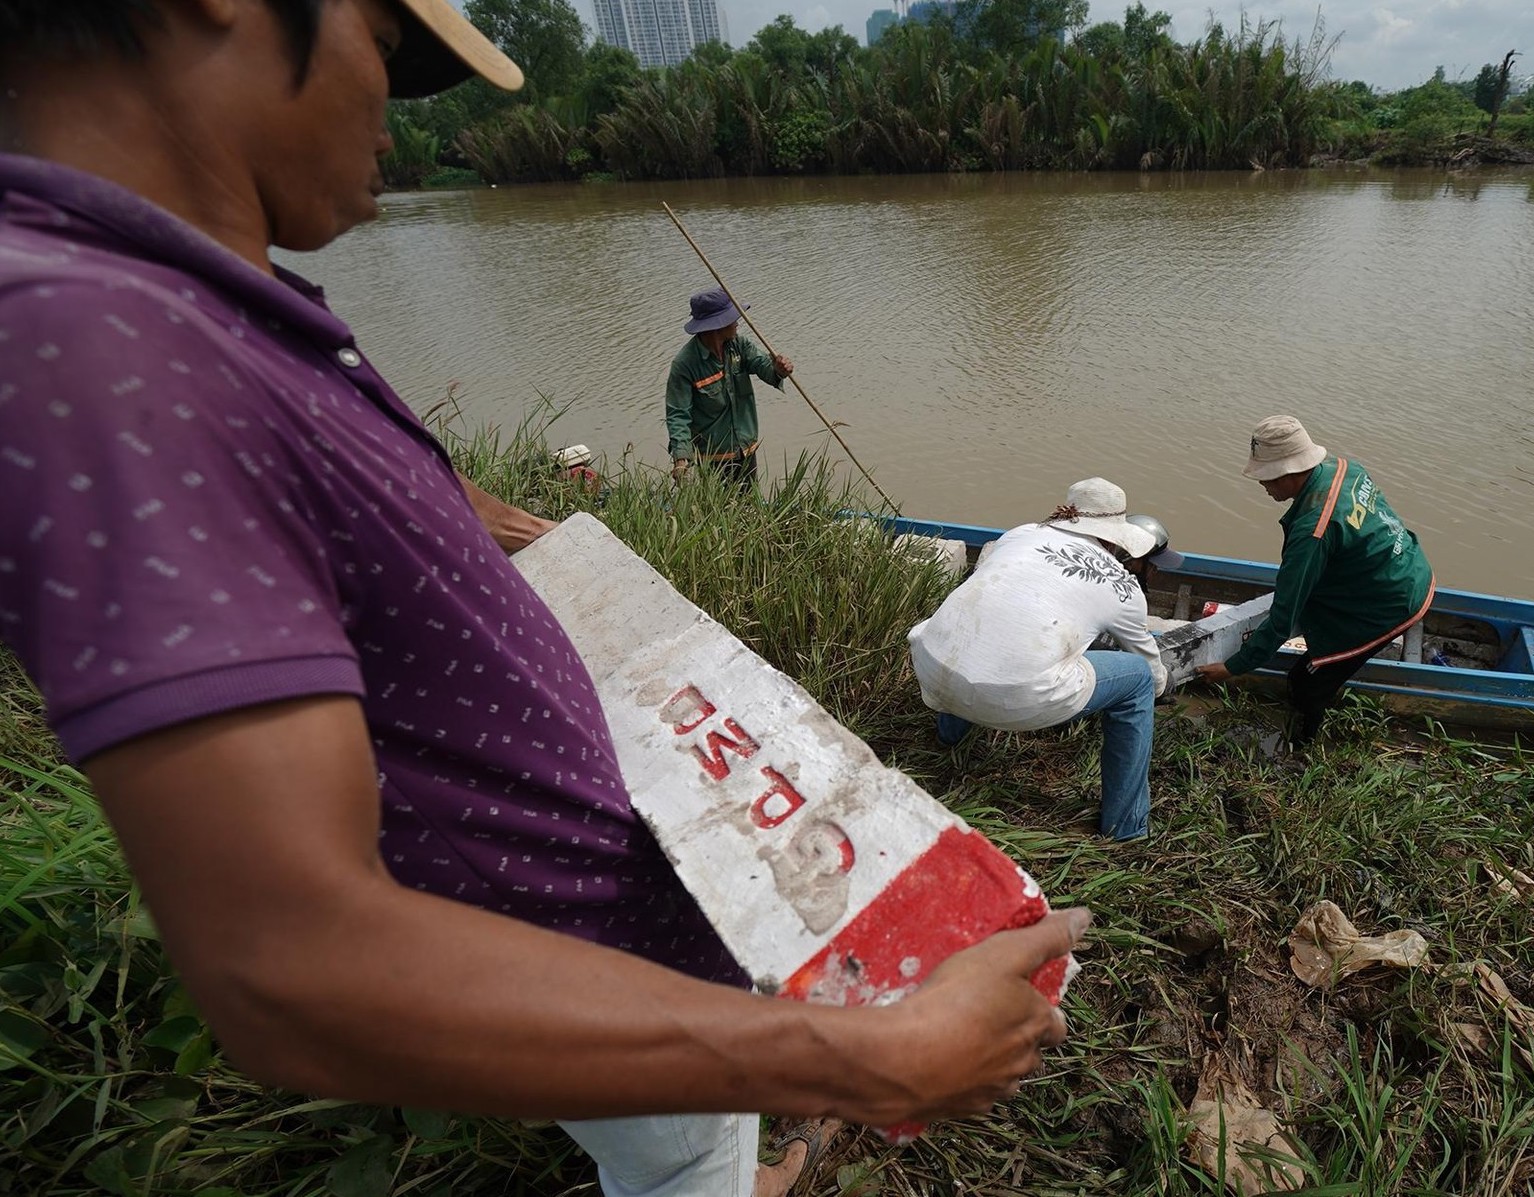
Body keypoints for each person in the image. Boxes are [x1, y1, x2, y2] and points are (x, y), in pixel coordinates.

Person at [0, 4, 1084, 1196]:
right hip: (566, 963)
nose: (399, 123)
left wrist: (558, 541)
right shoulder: (95, 342)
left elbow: (374, 500)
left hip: (630, 919)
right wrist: (867, 1057)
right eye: (389, 47)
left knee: (695, 1147)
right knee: (676, 1160)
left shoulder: (212, 309)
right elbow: (289, 964)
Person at [908, 480, 1175, 841]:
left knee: (979, 630)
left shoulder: (1020, 534)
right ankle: (1127, 827)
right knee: (1140, 680)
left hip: (930, 665)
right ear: (1117, 539)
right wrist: (1161, 684)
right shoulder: (1121, 586)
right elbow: (1152, 673)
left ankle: (947, 737)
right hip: (1017, 700)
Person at [1195, 416, 1435, 745]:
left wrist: (1233, 667)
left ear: (1290, 472)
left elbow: (1283, 617)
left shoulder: (1312, 531)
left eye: (1267, 478)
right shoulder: (1344, 468)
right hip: (1408, 567)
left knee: (1306, 683)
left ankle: (1302, 749)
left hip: (1389, 603)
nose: (1263, 485)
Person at [666, 290, 793, 490]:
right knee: (721, 513)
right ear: (716, 326)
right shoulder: (685, 364)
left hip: (745, 449)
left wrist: (778, 370)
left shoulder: (739, 346)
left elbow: (763, 366)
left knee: (750, 505)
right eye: (731, 319)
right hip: (713, 458)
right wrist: (681, 460)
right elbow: (678, 415)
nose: (736, 323)